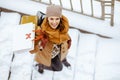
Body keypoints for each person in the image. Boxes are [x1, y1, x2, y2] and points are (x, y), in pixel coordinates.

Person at [30, 4, 71, 73]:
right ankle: (40, 66)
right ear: (47, 18)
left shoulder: (63, 26)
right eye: (51, 18)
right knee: (59, 68)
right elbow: (32, 49)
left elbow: (66, 38)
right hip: (48, 55)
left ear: (60, 18)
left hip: (60, 50)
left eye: (57, 18)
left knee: (62, 55)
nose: (54, 22)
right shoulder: (41, 31)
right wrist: (37, 41)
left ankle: (64, 60)